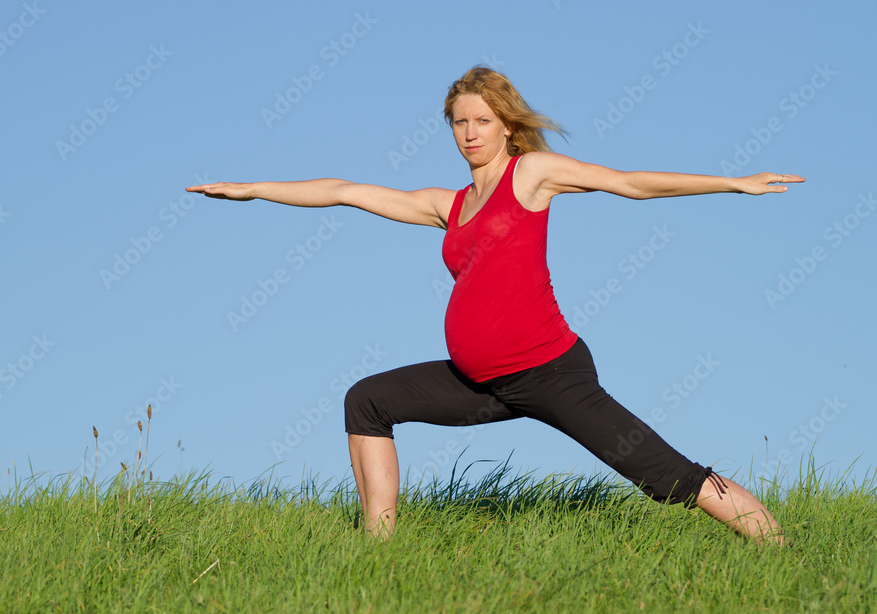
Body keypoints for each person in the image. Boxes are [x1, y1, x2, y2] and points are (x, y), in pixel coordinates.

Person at [188, 66, 799, 545]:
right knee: (366, 401)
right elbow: (346, 191)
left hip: (550, 373)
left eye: (481, 120)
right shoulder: (448, 206)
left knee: (669, 480)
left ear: (506, 124)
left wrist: (733, 182)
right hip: (481, 383)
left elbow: (627, 181)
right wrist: (252, 189)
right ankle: (377, 549)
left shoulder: (531, 174)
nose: (470, 132)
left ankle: (782, 552)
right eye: (459, 123)